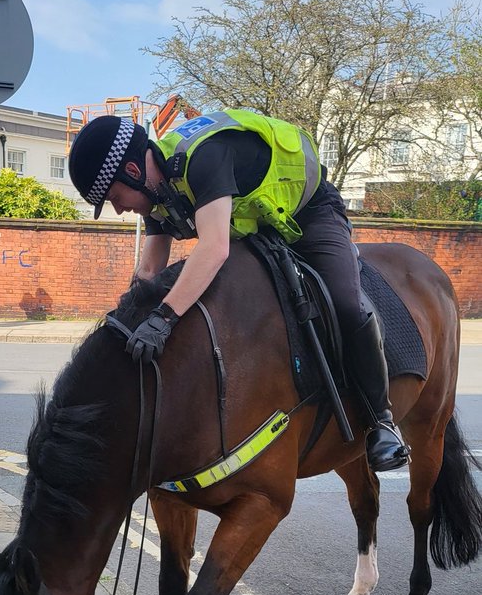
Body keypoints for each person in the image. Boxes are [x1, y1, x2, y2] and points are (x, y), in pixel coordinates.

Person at [68, 110, 409, 472]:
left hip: (309, 213)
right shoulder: (158, 196)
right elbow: (150, 271)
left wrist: (163, 317)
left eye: (115, 197)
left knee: (345, 303)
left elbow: (214, 248)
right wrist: (126, 323)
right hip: (257, 230)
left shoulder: (203, 158)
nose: (120, 210)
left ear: (133, 173)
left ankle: (381, 420)